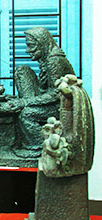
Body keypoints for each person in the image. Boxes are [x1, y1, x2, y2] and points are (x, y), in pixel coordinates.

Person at [7, 26, 75, 157]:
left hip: (59, 105)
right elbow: (45, 88)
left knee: (26, 114)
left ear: (42, 44)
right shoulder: (46, 59)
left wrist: (27, 102)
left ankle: (38, 147)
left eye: (31, 46)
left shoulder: (54, 60)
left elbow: (56, 94)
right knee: (22, 70)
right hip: (47, 96)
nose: (28, 50)